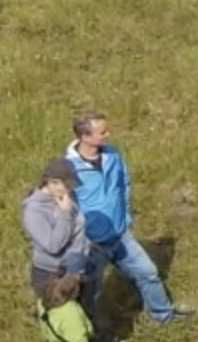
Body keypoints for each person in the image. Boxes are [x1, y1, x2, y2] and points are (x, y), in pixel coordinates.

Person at [66, 110, 190, 322]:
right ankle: (88, 336)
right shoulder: (68, 170)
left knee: (148, 273)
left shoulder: (113, 155)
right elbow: (66, 209)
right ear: (85, 137)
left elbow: (124, 185)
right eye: (102, 132)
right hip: (92, 243)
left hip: (120, 234)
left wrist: (124, 218)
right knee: (90, 293)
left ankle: (164, 316)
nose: (108, 134)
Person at [21, 157, 86, 293]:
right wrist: (65, 214)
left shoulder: (64, 197)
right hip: (52, 274)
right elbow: (53, 245)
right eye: (66, 186)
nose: (69, 190)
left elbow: (78, 227)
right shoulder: (34, 210)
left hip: (75, 267)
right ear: (52, 183)